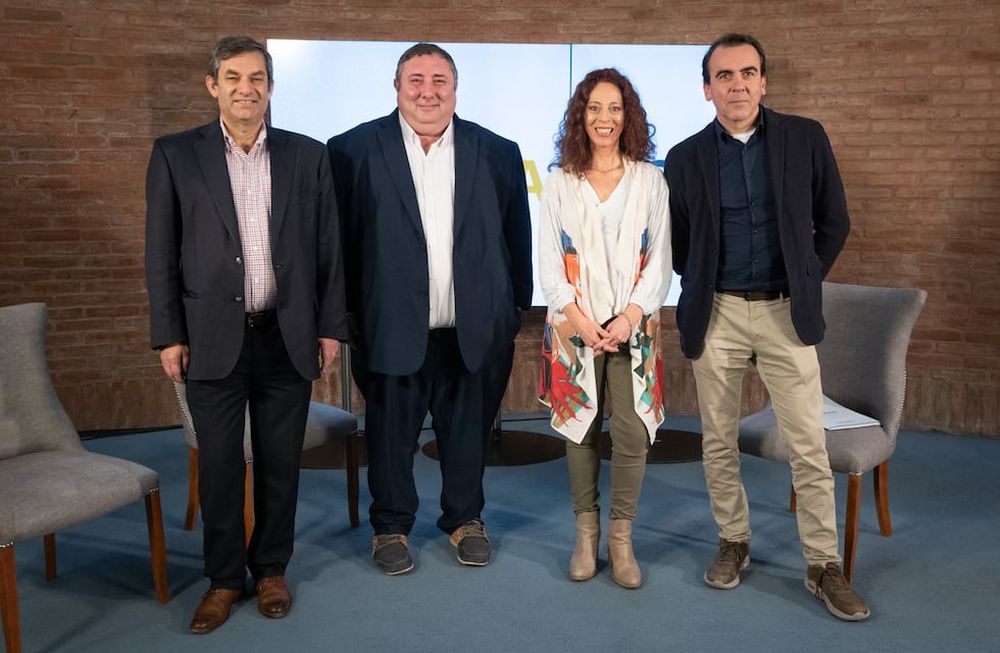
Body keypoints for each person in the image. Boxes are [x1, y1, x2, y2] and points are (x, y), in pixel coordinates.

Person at [664, 33, 869, 620]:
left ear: (764, 82)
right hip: (719, 312)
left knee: (808, 442)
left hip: (786, 312)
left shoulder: (805, 138)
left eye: (748, 73)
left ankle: (822, 565)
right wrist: (708, 283)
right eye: (724, 75)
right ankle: (734, 541)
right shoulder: (683, 158)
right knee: (717, 440)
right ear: (707, 89)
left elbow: (835, 221)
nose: (738, 85)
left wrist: (806, 276)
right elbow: (682, 245)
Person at [145, 36, 346, 633]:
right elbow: (161, 254)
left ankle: (271, 569)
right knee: (223, 468)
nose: (245, 87)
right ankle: (224, 579)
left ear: (270, 87)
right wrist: (168, 335)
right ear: (213, 86)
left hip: (287, 336)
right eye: (232, 77)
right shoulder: (176, 155)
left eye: (256, 77)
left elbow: (329, 251)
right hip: (210, 339)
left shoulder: (308, 156)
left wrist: (330, 327)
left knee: (282, 463)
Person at [327, 43, 532, 574]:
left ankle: (466, 520)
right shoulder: (350, 151)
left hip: (471, 333)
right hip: (389, 328)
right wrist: (349, 320)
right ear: (396, 88)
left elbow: (517, 242)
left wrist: (510, 314)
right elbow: (338, 246)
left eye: (440, 80)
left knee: (466, 435)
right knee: (391, 438)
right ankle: (390, 527)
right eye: (415, 79)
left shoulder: (498, 151)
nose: (428, 91)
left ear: (455, 89)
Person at [538, 69, 671, 589]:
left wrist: (629, 316)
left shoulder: (649, 180)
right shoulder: (559, 182)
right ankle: (585, 534)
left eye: (614, 108)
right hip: (576, 329)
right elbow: (549, 262)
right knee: (581, 428)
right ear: (581, 115)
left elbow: (660, 259)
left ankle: (621, 538)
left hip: (635, 329)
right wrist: (580, 320)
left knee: (634, 431)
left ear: (628, 116)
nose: (604, 118)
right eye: (594, 108)